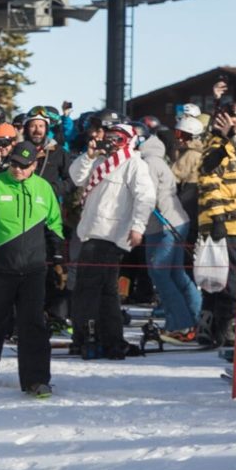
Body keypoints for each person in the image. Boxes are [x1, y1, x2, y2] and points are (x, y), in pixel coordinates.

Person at [0, 141, 65, 397]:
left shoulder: (43, 189)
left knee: (34, 324)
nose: (17, 169)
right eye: (15, 163)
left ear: (34, 165)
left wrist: (59, 260)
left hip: (33, 269)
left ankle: (37, 379)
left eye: (24, 166)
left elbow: (54, 227)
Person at [66, 125, 155, 358]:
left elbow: (145, 198)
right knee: (106, 292)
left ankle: (86, 336)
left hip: (110, 234)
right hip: (91, 232)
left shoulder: (134, 164)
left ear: (127, 140)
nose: (111, 141)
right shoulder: (101, 161)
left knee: (88, 290)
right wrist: (89, 155)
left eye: (117, 138)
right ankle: (110, 339)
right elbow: (76, 177)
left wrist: (138, 227)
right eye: (109, 137)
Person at [195, 109, 236, 349]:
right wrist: (218, 217)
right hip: (226, 222)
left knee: (219, 276)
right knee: (227, 279)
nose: (231, 127)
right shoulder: (219, 146)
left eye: (235, 123)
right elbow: (209, 182)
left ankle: (210, 325)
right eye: (227, 123)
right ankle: (224, 328)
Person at [139, 128, 201, 342]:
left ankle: (181, 325)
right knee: (175, 274)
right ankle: (193, 318)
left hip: (168, 223)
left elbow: (146, 197)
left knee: (160, 272)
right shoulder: (154, 160)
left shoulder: (149, 162)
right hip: (164, 224)